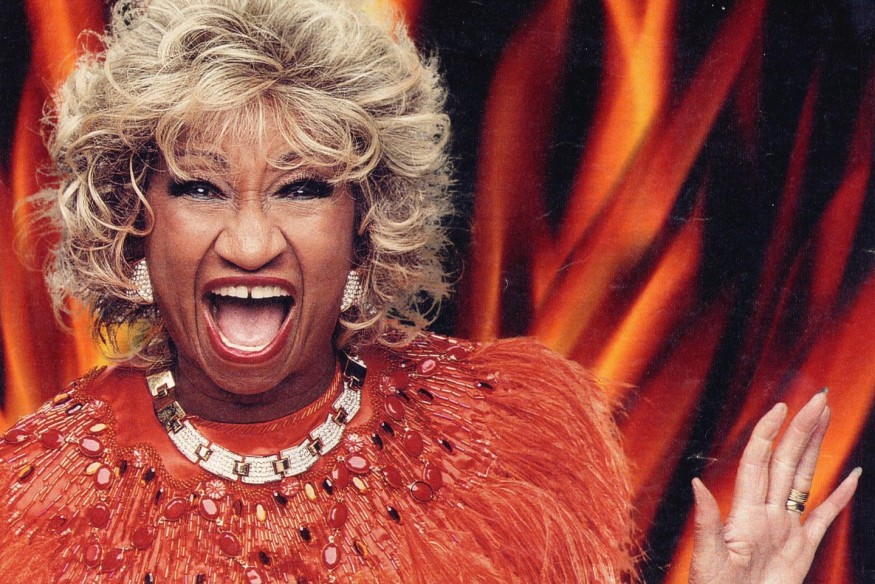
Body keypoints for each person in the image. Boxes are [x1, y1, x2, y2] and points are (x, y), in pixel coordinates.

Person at [0, 0, 859, 582]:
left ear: (365, 223)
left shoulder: (513, 444)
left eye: (303, 188)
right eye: (200, 187)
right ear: (132, 220)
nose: (252, 244)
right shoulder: (27, 505)